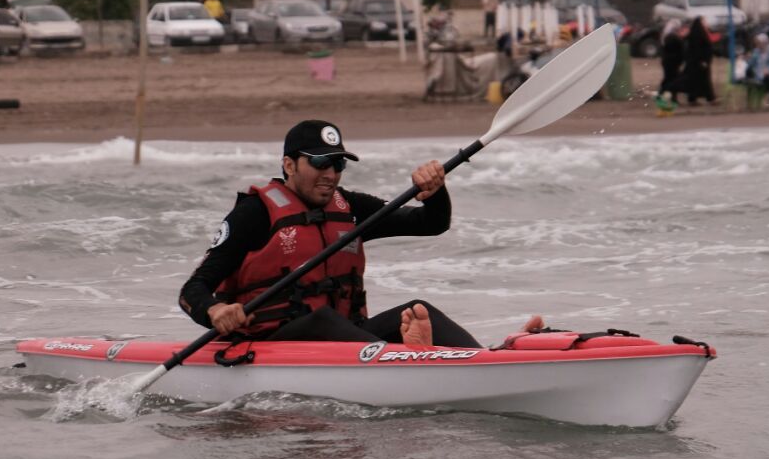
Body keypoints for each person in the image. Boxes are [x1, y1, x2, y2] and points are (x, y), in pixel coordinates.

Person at [180, 120, 527, 348]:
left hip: (347, 341)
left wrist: (434, 192)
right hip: (274, 343)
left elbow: (429, 223)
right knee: (322, 320)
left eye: (338, 164)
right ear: (289, 165)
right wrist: (214, 311)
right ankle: (402, 359)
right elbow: (191, 290)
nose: (331, 174)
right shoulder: (254, 214)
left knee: (419, 308)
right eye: (320, 163)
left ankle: (487, 359)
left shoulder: (351, 207)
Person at [680, 16, 716, 106]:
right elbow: (698, 49)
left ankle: (706, 98)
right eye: (704, 21)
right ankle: (705, 98)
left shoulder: (700, 33)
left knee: (701, 81)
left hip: (697, 62)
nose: (706, 23)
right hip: (698, 63)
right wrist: (702, 60)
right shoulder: (697, 34)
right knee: (700, 81)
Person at [745, 33, 769, 102]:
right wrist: (747, 59)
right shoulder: (756, 51)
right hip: (759, 75)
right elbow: (750, 64)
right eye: (757, 43)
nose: (757, 45)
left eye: (759, 43)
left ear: (764, 42)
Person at [656, 19, 685, 106]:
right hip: (672, 62)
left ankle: (662, 94)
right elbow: (678, 49)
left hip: (669, 62)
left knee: (668, 79)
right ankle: (671, 97)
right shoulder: (672, 37)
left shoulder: (667, 37)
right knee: (672, 79)